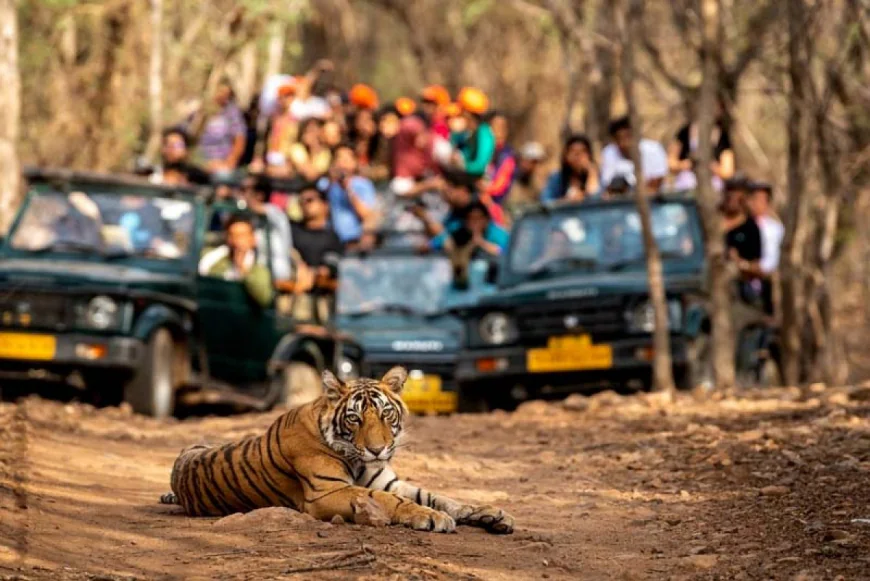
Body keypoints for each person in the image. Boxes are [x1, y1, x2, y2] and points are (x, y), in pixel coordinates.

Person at [290, 182, 344, 322]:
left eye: (310, 200)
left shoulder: (332, 237)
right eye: (301, 201)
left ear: (324, 205)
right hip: (296, 297)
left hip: (323, 299)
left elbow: (333, 263)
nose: (304, 204)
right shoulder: (292, 231)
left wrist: (319, 272)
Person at [198, 214, 274, 307]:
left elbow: (264, 299)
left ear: (252, 239)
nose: (237, 241)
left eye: (242, 236)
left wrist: (242, 270)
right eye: (233, 235)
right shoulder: (213, 258)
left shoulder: (258, 267)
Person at [668, 100, 735, 191]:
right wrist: (686, 165)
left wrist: (709, 166)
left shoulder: (723, 136)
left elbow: (728, 171)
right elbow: (671, 163)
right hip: (684, 189)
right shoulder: (684, 132)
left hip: (713, 190)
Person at [239, 174, 293, 282]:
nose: (241, 193)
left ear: (260, 195)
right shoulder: (250, 217)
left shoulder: (275, 213)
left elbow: (259, 209)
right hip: (258, 274)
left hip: (277, 274)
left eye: (245, 190)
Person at [326, 143, 379, 248]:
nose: (342, 163)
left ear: (355, 162)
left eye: (347, 159)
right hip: (330, 240)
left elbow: (367, 215)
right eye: (339, 158)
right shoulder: (326, 184)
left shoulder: (363, 184)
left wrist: (348, 190)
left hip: (354, 240)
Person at [600, 116, 669, 194]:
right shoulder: (609, 152)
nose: (624, 143)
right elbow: (608, 186)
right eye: (618, 139)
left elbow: (656, 184)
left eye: (627, 137)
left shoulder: (653, 149)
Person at [747, 180, 783, 315]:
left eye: (761, 200)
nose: (755, 204)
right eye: (753, 199)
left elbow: (776, 259)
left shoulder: (776, 230)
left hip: (769, 286)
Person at [196, 81, 247, 174]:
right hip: (203, 161)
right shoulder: (205, 111)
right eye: (219, 91)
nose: (222, 95)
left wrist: (229, 163)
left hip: (221, 163)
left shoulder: (232, 113)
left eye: (226, 93)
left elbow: (239, 140)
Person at [450, 87, 496, 178]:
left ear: (468, 113)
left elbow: (480, 166)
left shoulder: (484, 134)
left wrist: (463, 165)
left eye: (461, 110)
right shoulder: (464, 131)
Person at [479, 111, 516, 225]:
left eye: (502, 127)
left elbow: (499, 186)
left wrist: (481, 188)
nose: (498, 132)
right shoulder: (479, 150)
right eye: (494, 127)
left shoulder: (507, 156)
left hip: (493, 208)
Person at [541, 134, 600, 202]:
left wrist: (592, 173)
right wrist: (567, 200)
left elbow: (597, 199)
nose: (578, 156)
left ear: (589, 155)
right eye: (573, 151)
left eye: (582, 151)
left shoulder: (596, 176)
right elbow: (545, 201)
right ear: (566, 155)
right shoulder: (556, 178)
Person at [506, 141, 547, 212]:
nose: (533, 166)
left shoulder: (542, 181)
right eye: (532, 162)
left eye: (536, 162)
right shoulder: (513, 182)